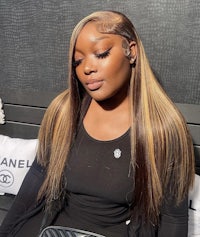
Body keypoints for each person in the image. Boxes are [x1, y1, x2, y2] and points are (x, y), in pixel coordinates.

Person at [0, 10, 195, 237]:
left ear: (131, 52)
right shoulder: (63, 112)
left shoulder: (164, 128)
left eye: (101, 54)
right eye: (78, 61)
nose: (86, 68)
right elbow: (36, 180)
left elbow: (173, 217)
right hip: (53, 230)